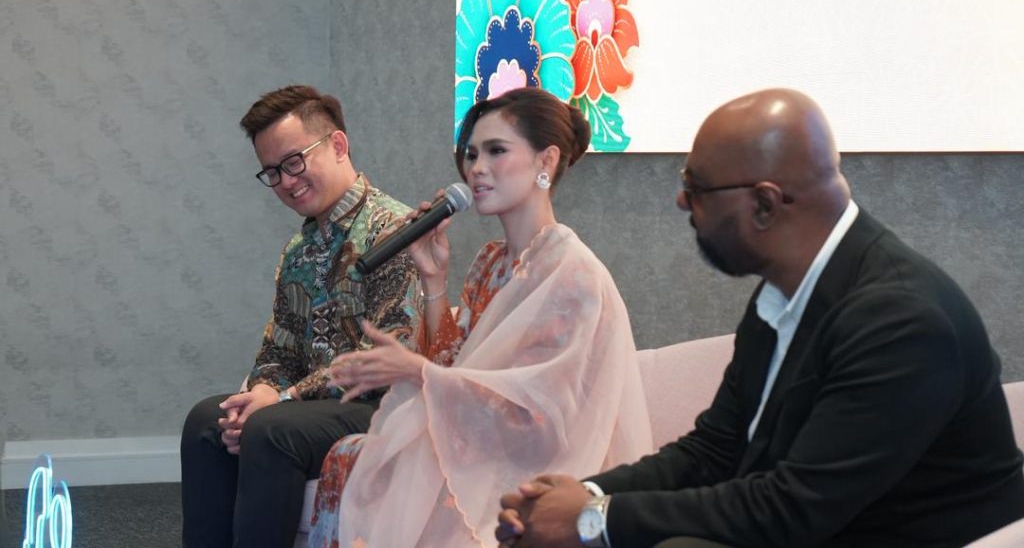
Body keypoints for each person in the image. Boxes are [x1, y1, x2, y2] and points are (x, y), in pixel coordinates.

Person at [496, 88, 1024, 548]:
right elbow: (716, 450)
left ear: (766, 205)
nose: (681, 201)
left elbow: (794, 508)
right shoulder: (783, 293)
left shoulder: (901, 322)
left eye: (696, 188)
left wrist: (593, 520)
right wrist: (583, 495)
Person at [307, 86, 653, 547]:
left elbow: (544, 416)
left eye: (496, 151)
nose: (476, 168)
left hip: (540, 465)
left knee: (374, 464)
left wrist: (417, 371)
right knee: (350, 454)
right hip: (479, 443)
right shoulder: (490, 261)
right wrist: (433, 278)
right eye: (471, 154)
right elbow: (451, 362)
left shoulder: (572, 273)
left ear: (546, 161)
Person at [180, 85, 420, 548]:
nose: (286, 182)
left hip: (382, 405)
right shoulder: (298, 249)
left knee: (271, 429)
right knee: (208, 420)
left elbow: (387, 356)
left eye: (293, 162)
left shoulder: (395, 230)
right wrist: (262, 390)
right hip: (309, 408)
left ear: (337, 145)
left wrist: (284, 399)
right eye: (272, 172)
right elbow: (280, 346)